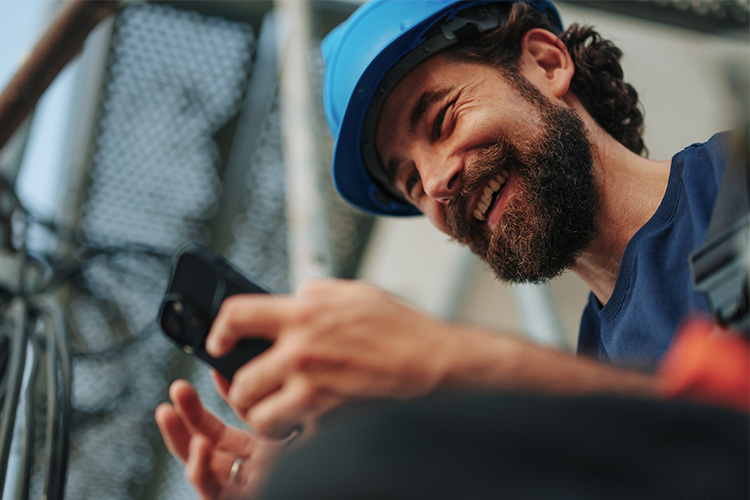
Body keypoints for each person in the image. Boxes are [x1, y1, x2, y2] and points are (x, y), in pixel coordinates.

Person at [154, 1, 745, 498]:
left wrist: (445, 370)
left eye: (441, 120)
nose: (435, 183)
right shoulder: (591, 369)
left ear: (545, 62)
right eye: (411, 183)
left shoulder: (733, 181)